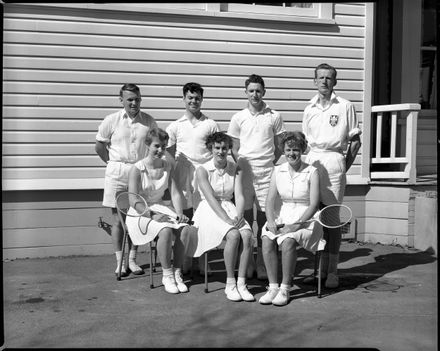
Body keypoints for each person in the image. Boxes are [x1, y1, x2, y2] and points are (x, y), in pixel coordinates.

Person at [302, 63, 361, 288]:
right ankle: (319, 270)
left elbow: (354, 142)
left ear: (335, 81)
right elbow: (305, 144)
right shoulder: (309, 108)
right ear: (314, 81)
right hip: (313, 161)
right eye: (320, 78)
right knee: (315, 218)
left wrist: (343, 166)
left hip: (334, 161)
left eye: (329, 78)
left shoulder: (345, 106)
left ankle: (333, 271)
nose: (324, 81)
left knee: (332, 220)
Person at [227, 74, 286, 280]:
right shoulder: (238, 117)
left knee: (263, 219)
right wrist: (243, 164)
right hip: (244, 173)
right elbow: (234, 147)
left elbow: (280, 146)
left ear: (264, 92)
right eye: (251, 90)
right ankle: (248, 262)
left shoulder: (274, 116)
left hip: (266, 173)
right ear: (246, 92)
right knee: (242, 219)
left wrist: (267, 162)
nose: (255, 94)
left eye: (258, 90)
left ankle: (262, 263)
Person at [95, 83, 158, 277]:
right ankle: (120, 261)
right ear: (121, 99)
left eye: (137, 99)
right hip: (117, 172)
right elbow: (99, 145)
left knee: (136, 216)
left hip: (138, 171)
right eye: (129, 99)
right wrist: (111, 163)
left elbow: (155, 145)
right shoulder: (111, 120)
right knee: (117, 219)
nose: (133, 103)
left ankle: (132, 260)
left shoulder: (148, 121)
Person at [188, 132, 255, 302]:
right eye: (217, 147)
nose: (221, 151)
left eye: (224, 148)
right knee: (233, 235)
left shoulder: (235, 168)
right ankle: (230, 283)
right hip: (209, 209)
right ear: (211, 148)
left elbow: (239, 196)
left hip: (229, 207)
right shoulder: (202, 169)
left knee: (247, 235)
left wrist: (239, 215)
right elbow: (210, 197)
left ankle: (241, 283)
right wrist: (226, 219)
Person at [125, 128, 191, 294]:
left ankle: (177, 272)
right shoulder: (137, 168)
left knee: (185, 228)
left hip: (161, 206)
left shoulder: (168, 166)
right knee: (166, 230)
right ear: (147, 145)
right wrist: (152, 215)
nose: (160, 150)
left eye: (163, 146)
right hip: (140, 211)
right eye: (156, 146)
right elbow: (133, 200)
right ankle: (166, 274)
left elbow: (175, 193)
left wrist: (179, 213)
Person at [260, 131, 321, 306]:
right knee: (266, 237)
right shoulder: (277, 170)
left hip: (307, 219)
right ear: (283, 150)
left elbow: (314, 205)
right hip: (284, 213)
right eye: (288, 149)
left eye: (295, 149)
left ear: (302, 150)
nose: (291, 153)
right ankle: (273, 287)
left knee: (288, 241)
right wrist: (270, 221)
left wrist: (295, 227)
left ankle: (285, 288)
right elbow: (270, 200)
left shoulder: (312, 171)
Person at [166, 82, 220, 274]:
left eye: (197, 98)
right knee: (185, 216)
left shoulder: (210, 124)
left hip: (203, 174)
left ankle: (203, 260)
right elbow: (170, 153)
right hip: (183, 173)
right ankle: (185, 259)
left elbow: (216, 150)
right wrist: (175, 174)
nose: (193, 101)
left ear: (201, 100)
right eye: (190, 98)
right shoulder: (175, 126)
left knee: (203, 216)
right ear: (183, 99)